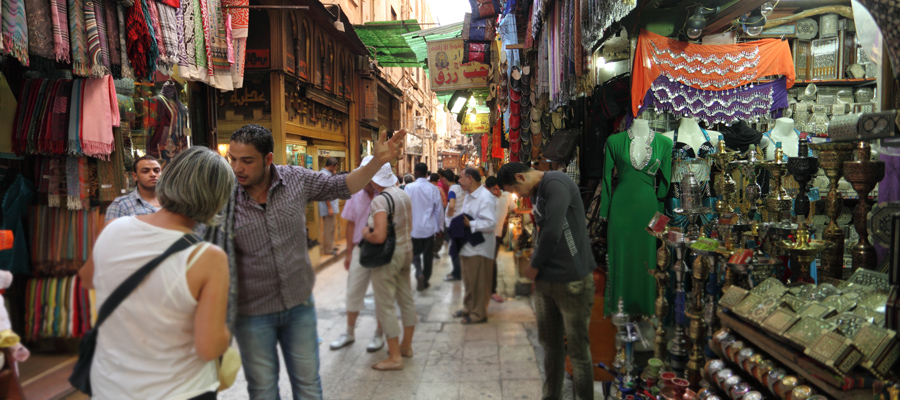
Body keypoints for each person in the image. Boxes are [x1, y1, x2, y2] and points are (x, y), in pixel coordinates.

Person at [207, 124, 406, 399]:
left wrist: (376, 162)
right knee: (263, 391)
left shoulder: (295, 179)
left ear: (267, 159)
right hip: (251, 313)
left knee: (309, 386)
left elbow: (342, 185)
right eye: (234, 159)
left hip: (299, 305)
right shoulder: (224, 195)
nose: (238, 168)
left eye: (247, 160)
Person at [79, 147, 233, 399]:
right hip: (179, 390)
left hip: (110, 386)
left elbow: (87, 279)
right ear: (216, 198)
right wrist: (227, 331)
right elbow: (208, 347)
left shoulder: (114, 227)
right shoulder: (207, 258)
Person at [497, 162, 596, 400]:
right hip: (547, 281)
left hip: (572, 279)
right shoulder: (540, 192)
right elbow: (543, 232)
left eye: (515, 190)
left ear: (521, 176)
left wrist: (533, 266)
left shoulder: (556, 183)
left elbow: (552, 232)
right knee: (551, 349)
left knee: (578, 352)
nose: (518, 196)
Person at [361, 162, 416, 371]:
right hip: (406, 252)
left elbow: (379, 235)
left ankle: (394, 357)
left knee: (385, 305)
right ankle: (406, 347)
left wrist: (366, 233)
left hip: (388, 258)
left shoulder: (380, 201)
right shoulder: (403, 194)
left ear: (375, 179)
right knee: (406, 299)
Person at [330, 156, 384, 353]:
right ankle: (349, 332)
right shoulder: (355, 195)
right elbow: (351, 224)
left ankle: (379, 333)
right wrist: (349, 254)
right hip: (360, 249)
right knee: (353, 291)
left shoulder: (384, 195)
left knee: (381, 293)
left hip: (381, 249)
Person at [451, 167, 496, 324]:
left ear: (470, 179)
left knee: (479, 283)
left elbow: (490, 224)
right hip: (468, 246)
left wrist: (470, 224)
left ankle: (478, 313)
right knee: (469, 281)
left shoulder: (485, 197)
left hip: (480, 248)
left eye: (461, 177)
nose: (459, 180)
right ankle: (468, 307)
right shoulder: (469, 195)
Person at [403, 163, 443, 291]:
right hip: (428, 228)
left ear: (416, 172)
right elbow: (438, 210)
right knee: (427, 255)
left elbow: (404, 208)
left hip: (413, 228)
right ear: (426, 173)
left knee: (414, 254)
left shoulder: (409, 188)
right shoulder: (433, 189)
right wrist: (440, 227)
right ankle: (425, 280)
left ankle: (419, 272)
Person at [104, 155, 162, 221]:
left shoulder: (172, 201)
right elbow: (112, 230)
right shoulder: (121, 205)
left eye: (156, 171)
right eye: (145, 171)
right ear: (135, 176)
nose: (153, 174)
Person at [485, 176, 515, 303]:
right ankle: (489, 290)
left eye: (497, 188)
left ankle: (491, 290)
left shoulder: (507, 196)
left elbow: (516, 209)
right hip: (485, 233)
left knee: (491, 262)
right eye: (493, 190)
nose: (495, 191)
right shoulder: (486, 196)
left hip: (497, 234)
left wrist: (532, 210)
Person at [443, 171, 466, 281]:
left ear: (444, 179)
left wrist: (448, 213)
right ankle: (459, 271)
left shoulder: (452, 189)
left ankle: (457, 273)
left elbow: (451, 205)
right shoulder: (460, 188)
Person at [318, 157, 341, 256]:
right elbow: (325, 193)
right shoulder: (324, 175)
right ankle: (327, 249)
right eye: (335, 167)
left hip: (330, 206)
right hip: (328, 207)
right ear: (331, 166)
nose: (335, 169)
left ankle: (330, 246)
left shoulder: (328, 174)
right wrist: (330, 208)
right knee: (328, 228)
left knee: (331, 228)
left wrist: (334, 174)